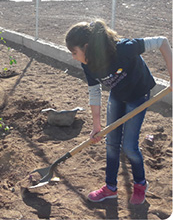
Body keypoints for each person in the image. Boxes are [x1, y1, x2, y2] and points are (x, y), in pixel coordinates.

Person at [65, 19, 172, 205]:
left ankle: (140, 185)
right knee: (111, 143)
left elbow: (162, 41)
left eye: (74, 52)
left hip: (138, 94)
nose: (73, 57)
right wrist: (97, 125)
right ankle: (110, 188)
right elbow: (94, 92)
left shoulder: (123, 48)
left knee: (129, 147)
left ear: (87, 46)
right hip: (118, 94)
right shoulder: (87, 63)